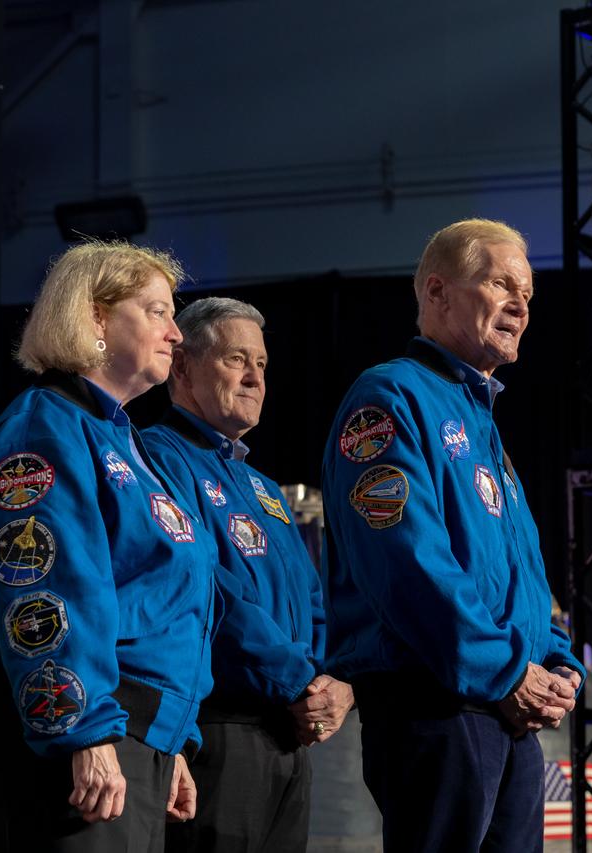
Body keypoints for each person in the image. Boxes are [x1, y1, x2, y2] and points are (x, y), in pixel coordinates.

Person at [0, 240, 221, 852]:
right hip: (77, 732)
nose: (177, 333)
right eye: (155, 311)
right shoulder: (46, 426)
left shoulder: (123, 443)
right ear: (95, 317)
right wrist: (85, 729)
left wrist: (168, 735)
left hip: (128, 733)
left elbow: (160, 605)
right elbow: (44, 587)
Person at [320, 219, 585, 853]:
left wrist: (556, 659)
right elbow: (408, 565)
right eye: (501, 284)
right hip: (437, 704)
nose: (521, 304)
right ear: (437, 292)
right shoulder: (390, 398)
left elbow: (523, 569)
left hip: (504, 707)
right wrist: (506, 672)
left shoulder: (480, 417)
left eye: (528, 292)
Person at [142, 298, 353, 853]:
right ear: (182, 367)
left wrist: (329, 681)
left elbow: (311, 595)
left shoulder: (261, 487)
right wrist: (300, 681)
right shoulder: (156, 457)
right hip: (219, 731)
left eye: (261, 363)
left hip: (288, 735)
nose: (255, 376)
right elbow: (210, 594)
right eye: (237, 359)